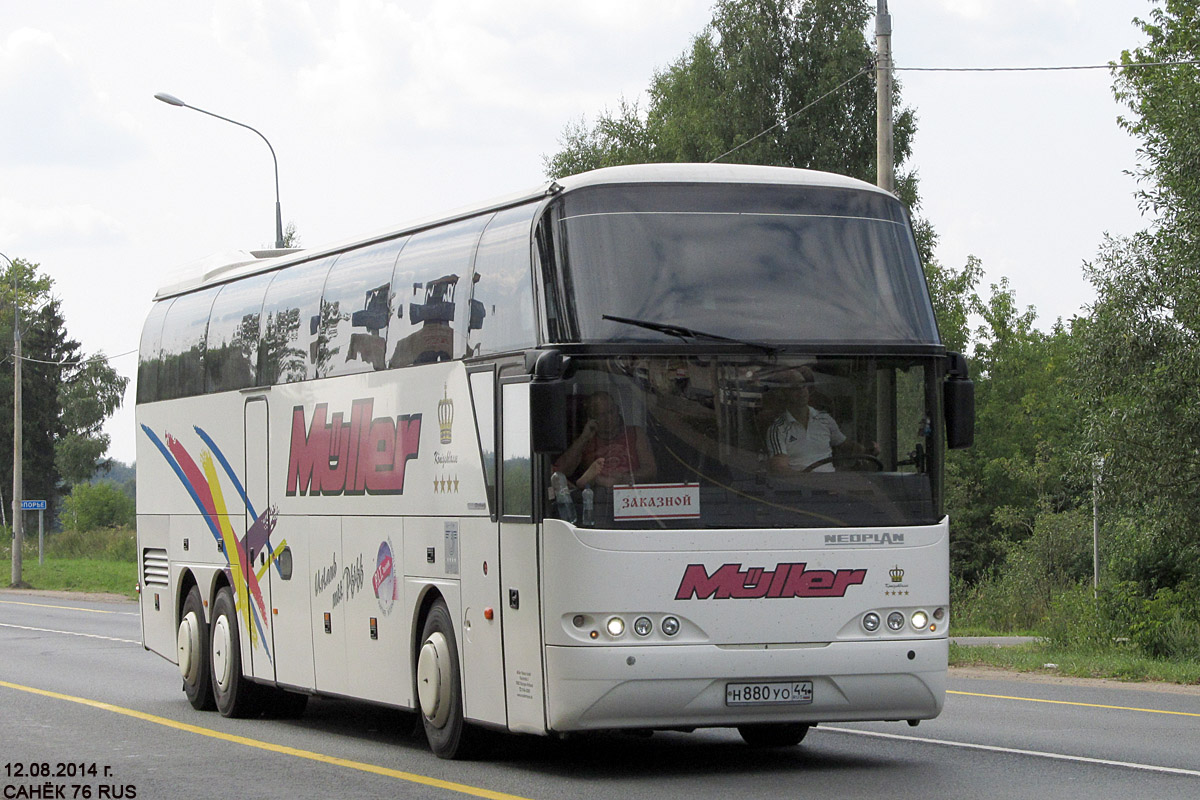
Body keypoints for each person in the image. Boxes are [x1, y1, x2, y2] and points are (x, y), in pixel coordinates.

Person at [766, 367, 874, 473]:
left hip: (831, 486)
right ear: (782, 394)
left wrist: (869, 451)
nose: (802, 391)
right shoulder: (778, 429)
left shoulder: (825, 420)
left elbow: (846, 446)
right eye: (795, 388)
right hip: (799, 487)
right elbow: (779, 468)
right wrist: (806, 481)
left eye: (804, 385)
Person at [554, 391, 657, 488]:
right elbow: (559, 472)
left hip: (630, 495)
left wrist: (624, 478)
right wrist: (583, 438)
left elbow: (650, 470)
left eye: (611, 412)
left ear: (617, 411)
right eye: (602, 415)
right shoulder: (586, 440)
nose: (608, 418)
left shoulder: (634, 433)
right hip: (597, 499)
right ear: (592, 418)